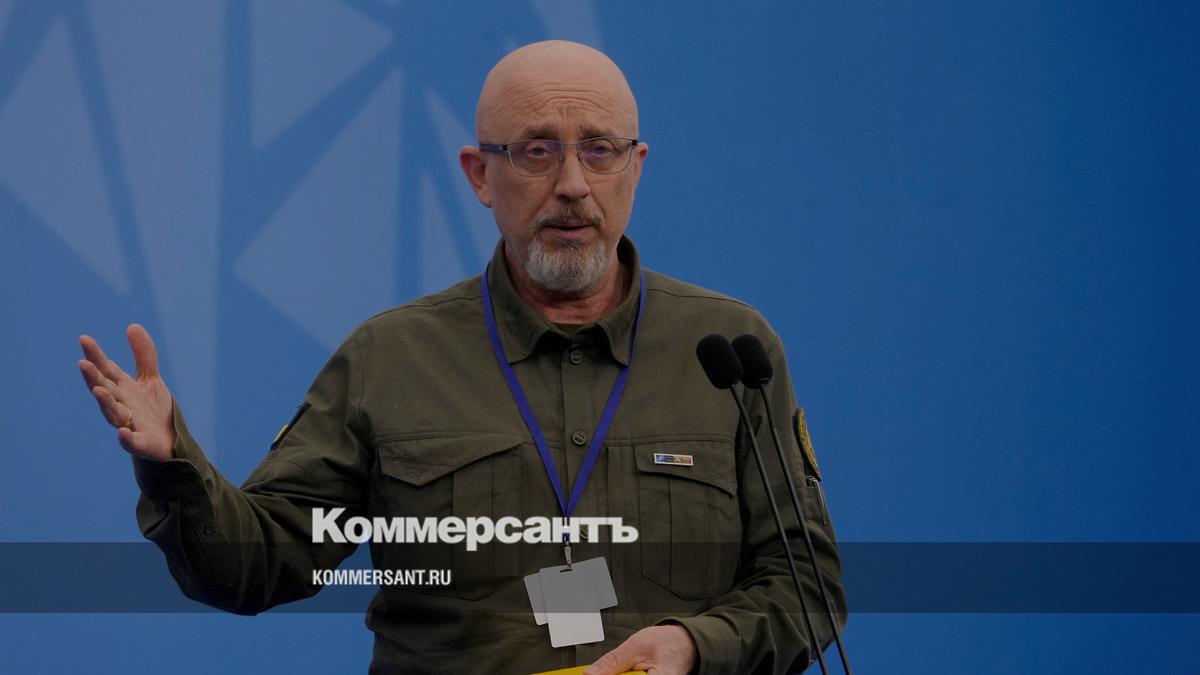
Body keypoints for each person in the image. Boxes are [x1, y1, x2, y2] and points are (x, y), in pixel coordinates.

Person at [77, 40, 846, 674]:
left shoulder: (729, 350)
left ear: (635, 166)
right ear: (480, 174)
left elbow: (807, 587)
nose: (573, 184)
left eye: (599, 150)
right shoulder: (390, 358)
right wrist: (173, 462)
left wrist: (692, 647)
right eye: (537, 151)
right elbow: (254, 566)